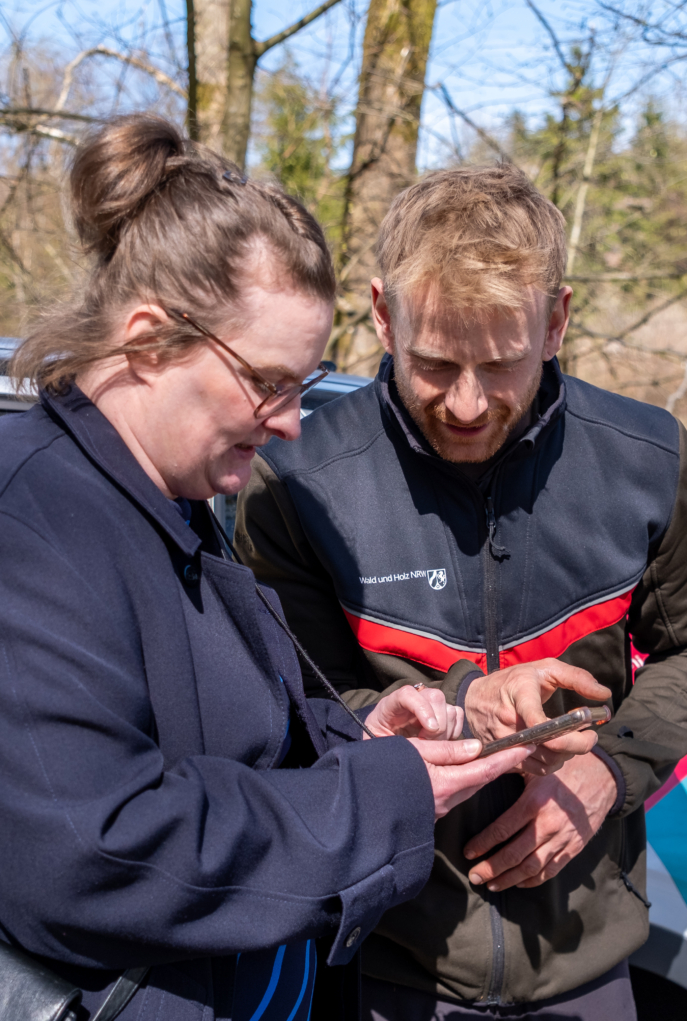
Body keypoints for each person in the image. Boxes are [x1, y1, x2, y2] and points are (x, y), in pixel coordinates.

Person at [0, 120, 603, 1021]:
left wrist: (351, 737)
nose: (288, 422)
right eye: (268, 383)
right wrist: (383, 794)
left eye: (303, 386)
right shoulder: (35, 522)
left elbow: (214, 736)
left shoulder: (164, 499)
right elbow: (98, 850)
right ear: (148, 342)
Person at [236, 163, 687, 1020]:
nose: (468, 404)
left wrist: (612, 771)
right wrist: (455, 702)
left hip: (586, 957)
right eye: (434, 364)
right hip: (380, 959)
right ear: (382, 315)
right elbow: (288, 705)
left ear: (555, 320)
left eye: (501, 364)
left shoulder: (649, 458)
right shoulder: (295, 481)